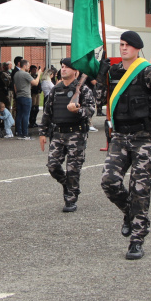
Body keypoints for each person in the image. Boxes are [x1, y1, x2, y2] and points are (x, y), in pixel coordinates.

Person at [95, 31, 151, 260]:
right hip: (120, 137)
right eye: (121, 44)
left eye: (128, 45)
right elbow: (97, 102)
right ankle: (129, 212)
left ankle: (137, 240)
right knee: (109, 181)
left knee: (139, 190)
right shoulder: (114, 72)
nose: (123, 49)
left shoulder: (149, 73)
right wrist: (102, 76)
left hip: (145, 138)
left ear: (137, 49)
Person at [39, 58, 96, 212]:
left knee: (73, 169)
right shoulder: (55, 90)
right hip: (57, 134)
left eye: (67, 67)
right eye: (62, 67)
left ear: (75, 71)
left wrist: (78, 111)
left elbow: (91, 110)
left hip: (76, 134)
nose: (63, 69)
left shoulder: (83, 90)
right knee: (52, 166)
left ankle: (70, 199)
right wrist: (43, 132)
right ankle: (68, 185)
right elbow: (47, 112)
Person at [13, 59, 41, 140]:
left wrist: (17, 93)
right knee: (26, 115)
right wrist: (39, 74)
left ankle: (19, 132)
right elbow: (35, 83)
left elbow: (15, 86)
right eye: (28, 65)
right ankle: (25, 134)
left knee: (19, 115)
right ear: (24, 65)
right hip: (26, 96)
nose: (29, 67)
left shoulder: (16, 74)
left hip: (19, 96)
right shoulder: (25, 74)